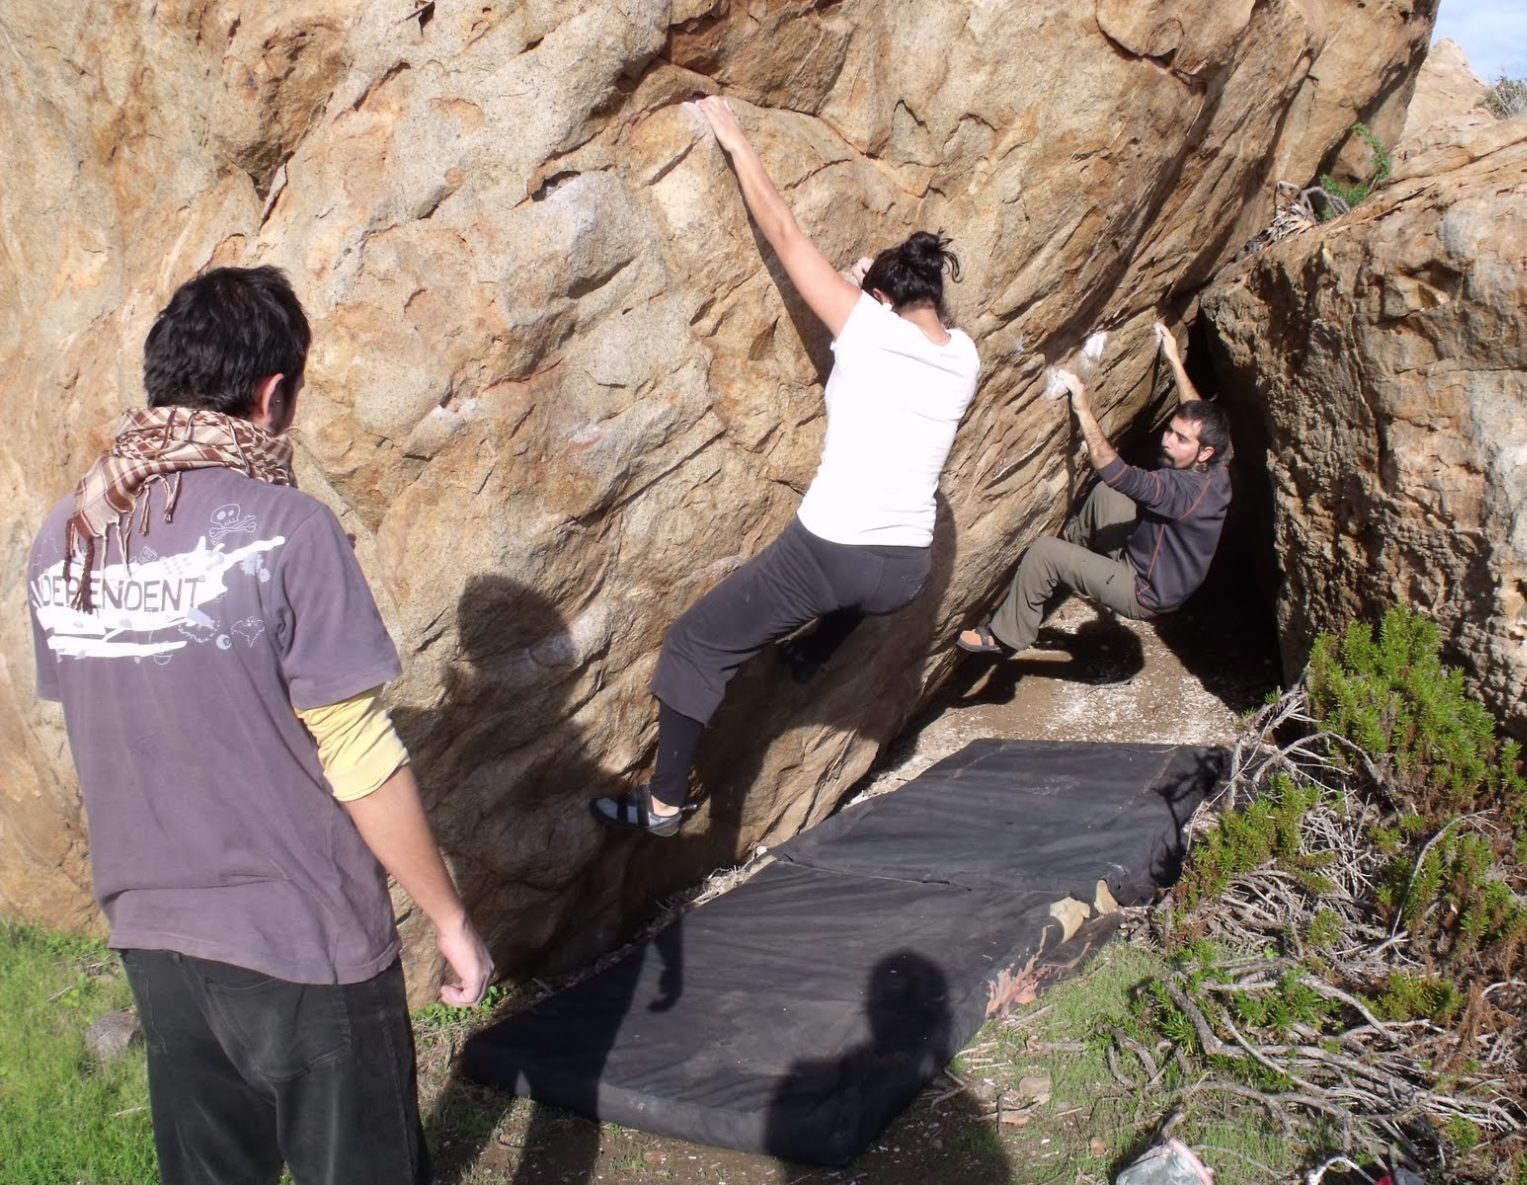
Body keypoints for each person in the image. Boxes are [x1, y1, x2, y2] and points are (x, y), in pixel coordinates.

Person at [26, 265, 493, 1185]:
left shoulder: (66, 538)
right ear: (272, 394)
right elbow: (358, 753)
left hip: (153, 935)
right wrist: (450, 918)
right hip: (303, 940)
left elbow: (109, 722)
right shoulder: (290, 529)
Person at [591, 95, 980, 836]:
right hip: (906, 571)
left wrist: (737, 143)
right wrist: (877, 283)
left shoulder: (864, 331)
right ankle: (812, 656)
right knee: (855, 595)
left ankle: (667, 803)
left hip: (833, 552)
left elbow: (782, 228)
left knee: (695, 641)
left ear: (880, 297)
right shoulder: (963, 358)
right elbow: (911, 318)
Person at [956, 321, 1231, 655]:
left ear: (1204, 452)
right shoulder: (1217, 467)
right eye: (1170, 430)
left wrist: (1083, 408)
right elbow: (1196, 411)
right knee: (1107, 498)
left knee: (1045, 551)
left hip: (1144, 591)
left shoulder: (1180, 490)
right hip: (1154, 564)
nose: (1167, 440)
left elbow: (1115, 472)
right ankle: (1067, 561)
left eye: (1180, 439)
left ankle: (1006, 637)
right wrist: (1174, 360)